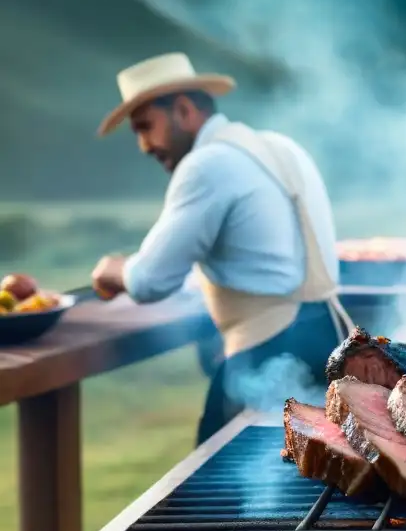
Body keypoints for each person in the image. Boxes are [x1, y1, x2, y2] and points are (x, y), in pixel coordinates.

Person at [90, 52, 354, 445]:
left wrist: (112, 270)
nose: (144, 145)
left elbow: (150, 281)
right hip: (328, 339)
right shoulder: (279, 146)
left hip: (271, 352)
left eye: (146, 127)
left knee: (212, 490)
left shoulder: (204, 166)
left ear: (183, 110)